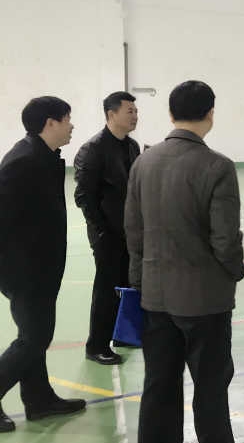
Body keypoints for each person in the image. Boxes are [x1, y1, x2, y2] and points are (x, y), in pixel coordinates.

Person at [125, 80, 244, 443]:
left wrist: (140, 282)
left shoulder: (143, 162)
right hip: (205, 299)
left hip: (156, 296)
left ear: (171, 113)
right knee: (210, 389)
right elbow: (225, 240)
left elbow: (134, 232)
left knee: (159, 385)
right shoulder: (218, 166)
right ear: (210, 114)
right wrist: (234, 272)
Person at [0, 97, 86, 433]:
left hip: (39, 267)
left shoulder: (42, 156)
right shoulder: (23, 162)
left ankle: (39, 400)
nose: (71, 125)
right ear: (50, 123)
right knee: (34, 338)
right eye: (67, 119)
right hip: (24, 271)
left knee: (35, 336)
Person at [74, 91, 140, 365]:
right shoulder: (93, 149)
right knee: (106, 290)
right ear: (111, 114)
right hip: (107, 235)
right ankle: (96, 346)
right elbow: (83, 197)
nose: (135, 116)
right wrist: (102, 231)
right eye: (129, 111)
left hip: (129, 232)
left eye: (136, 111)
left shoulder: (132, 146)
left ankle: (122, 335)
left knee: (128, 284)